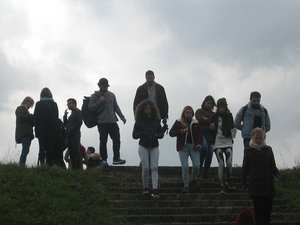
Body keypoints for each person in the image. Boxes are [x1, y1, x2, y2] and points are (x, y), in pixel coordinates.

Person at [242, 127, 279, 225]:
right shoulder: (248, 151)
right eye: (257, 138)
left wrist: (277, 173)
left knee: (268, 213)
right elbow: (245, 168)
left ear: (264, 138)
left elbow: (272, 165)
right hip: (255, 187)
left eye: (260, 138)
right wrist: (243, 181)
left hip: (268, 185)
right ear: (252, 138)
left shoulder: (268, 149)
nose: (259, 140)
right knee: (259, 213)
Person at [89, 78, 126, 167]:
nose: (104, 87)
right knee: (103, 141)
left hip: (113, 121)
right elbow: (90, 108)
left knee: (117, 139)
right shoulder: (94, 96)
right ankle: (104, 159)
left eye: (105, 85)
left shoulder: (112, 95)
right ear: (99, 85)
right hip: (102, 122)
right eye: (102, 85)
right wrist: (99, 101)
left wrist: (122, 117)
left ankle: (116, 158)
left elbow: (116, 107)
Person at [132, 99, 166, 198]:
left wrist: (156, 134)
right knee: (146, 167)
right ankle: (145, 187)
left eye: (149, 108)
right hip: (143, 145)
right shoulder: (139, 121)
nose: (148, 110)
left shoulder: (156, 120)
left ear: (152, 110)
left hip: (154, 145)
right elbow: (134, 135)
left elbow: (161, 134)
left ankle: (155, 189)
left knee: (154, 167)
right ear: (142, 109)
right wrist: (143, 133)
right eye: (146, 108)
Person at [169, 106, 203, 193]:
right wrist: (181, 131)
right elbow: (171, 133)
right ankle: (186, 185)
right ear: (184, 113)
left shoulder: (195, 122)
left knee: (196, 165)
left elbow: (200, 135)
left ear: (192, 114)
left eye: (190, 113)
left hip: (194, 146)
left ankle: (193, 177)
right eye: (187, 113)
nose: (188, 115)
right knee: (185, 166)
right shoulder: (179, 122)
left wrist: (200, 144)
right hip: (183, 147)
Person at [34, 87, 63, 167]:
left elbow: (36, 117)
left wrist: (36, 129)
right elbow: (56, 118)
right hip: (52, 130)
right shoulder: (54, 104)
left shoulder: (38, 104)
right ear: (50, 94)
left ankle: (42, 164)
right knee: (50, 148)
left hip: (41, 130)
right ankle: (49, 164)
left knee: (42, 147)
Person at [211, 98, 235, 193]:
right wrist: (211, 128)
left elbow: (232, 127)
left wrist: (232, 132)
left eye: (223, 107)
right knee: (221, 163)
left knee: (229, 162)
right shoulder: (214, 116)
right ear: (218, 107)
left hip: (227, 141)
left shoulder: (229, 116)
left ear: (226, 106)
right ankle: (222, 185)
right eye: (220, 107)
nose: (222, 109)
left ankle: (228, 180)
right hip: (217, 142)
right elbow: (211, 128)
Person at [195, 95, 216, 179]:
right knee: (204, 148)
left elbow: (215, 124)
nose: (209, 105)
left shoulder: (214, 114)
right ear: (204, 103)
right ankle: (199, 168)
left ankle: (205, 173)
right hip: (200, 133)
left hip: (209, 135)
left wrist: (206, 120)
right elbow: (199, 119)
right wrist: (208, 122)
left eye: (211, 104)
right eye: (208, 103)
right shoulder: (199, 111)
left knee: (210, 153)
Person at [15, 96, 35, 166]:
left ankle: (22, 165)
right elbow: (21, 118)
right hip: (24, 133)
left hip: (26, 133)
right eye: (30, 104)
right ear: (26, 102)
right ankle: (21, 165)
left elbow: (29, 122)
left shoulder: (26, 111)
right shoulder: (20, 108)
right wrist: (31, 116)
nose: (30, 106)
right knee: (25, 150)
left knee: (26, 150)